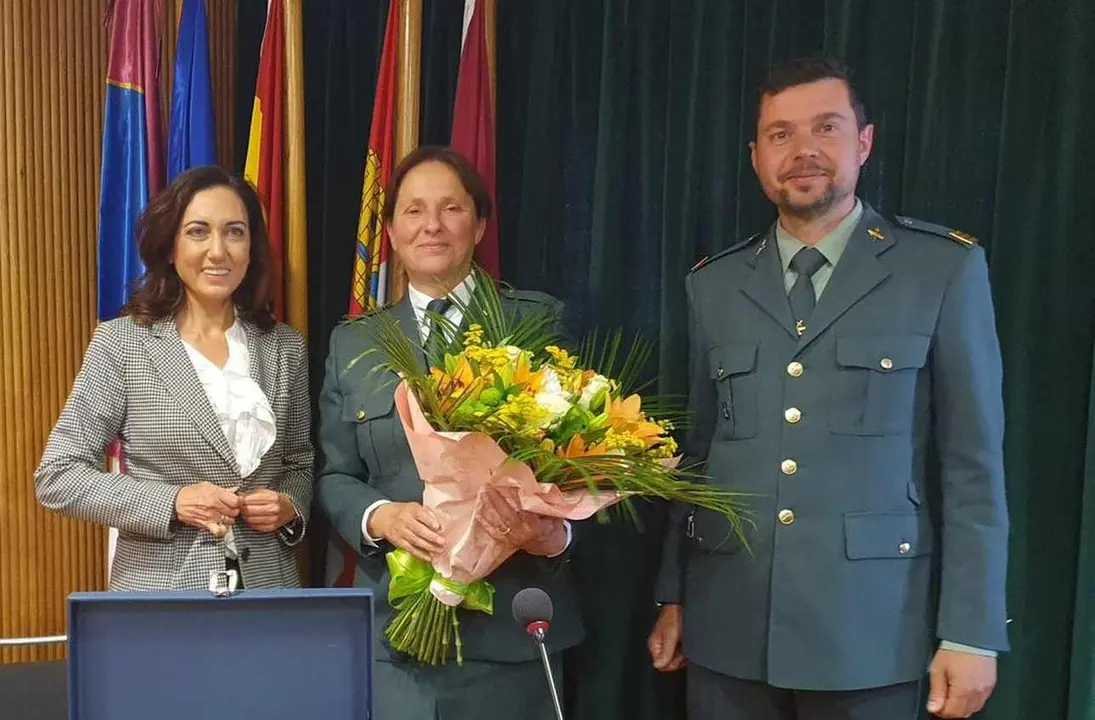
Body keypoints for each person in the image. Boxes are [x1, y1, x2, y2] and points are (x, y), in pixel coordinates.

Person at [647, 56, 1009, 720]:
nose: (802, 150)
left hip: (870, 632)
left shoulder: (939, 269)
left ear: (863, 143)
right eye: (780, 134)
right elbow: (697, 456)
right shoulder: (713, 284)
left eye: (826, 127)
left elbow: (971, 468)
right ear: (756, 157)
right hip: (728, 628)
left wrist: (971, 630)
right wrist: (673, 594)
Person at [316, 145, 583, 719]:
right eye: (413, 211)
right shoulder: (355, 342)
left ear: (479, 224)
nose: (431, 225)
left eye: (451, 208)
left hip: (514, 628)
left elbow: (583, 463)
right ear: (391, 232)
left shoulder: (537, 322)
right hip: (398, 639)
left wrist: (552, 534)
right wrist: (379, 516)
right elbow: (335, 475)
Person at [35, 165, 313, 591]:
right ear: (170, 247)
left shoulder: (285, 346)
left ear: (251, 247)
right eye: (198, 232)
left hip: (268, 591)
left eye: (234, 232)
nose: (218, 251)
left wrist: (289, 505)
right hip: (161, 593)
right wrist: (173, 501)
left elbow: (299, 463)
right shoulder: (123, 343)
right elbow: (58, 475)